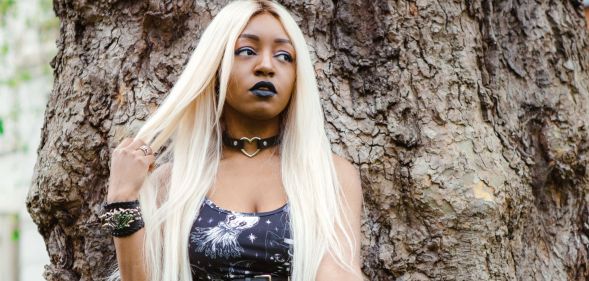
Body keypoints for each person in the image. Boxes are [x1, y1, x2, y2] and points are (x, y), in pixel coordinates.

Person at [103, 0, 364, 280]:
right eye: (247, 51)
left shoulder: (330, 177)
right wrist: (122, 200)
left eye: (284, 56)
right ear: (214, 68)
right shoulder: (174, 184)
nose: (266, 66)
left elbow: (338, 272)